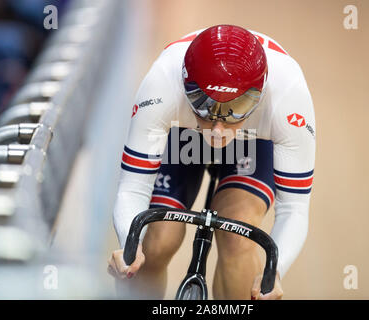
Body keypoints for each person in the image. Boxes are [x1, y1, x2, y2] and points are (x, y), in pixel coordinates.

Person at [108, 24, 316, 300]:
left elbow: (295, 209)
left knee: (238, 232)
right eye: (205, 106)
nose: (217, 129)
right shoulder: (162, 83)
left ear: (260, 95)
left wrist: (273, 272)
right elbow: (133, 187)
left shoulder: (289, 97)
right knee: (157, 241)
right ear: (185, 85)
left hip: (251, 138)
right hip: (186, 129)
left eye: (233, 110)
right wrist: (129, 244)